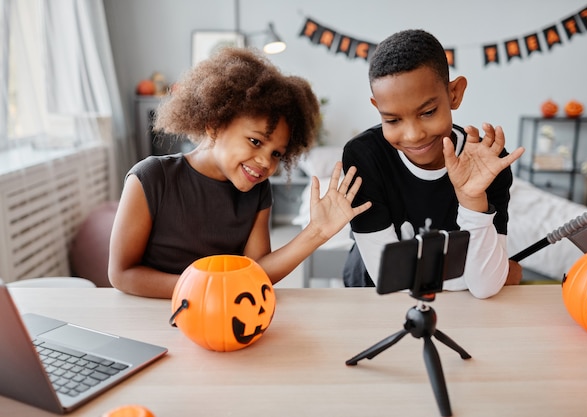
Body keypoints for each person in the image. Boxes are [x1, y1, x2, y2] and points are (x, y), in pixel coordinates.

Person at [108, 47, 371, 299]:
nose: (265, 162)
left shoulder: (257, 191)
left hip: (220, 316)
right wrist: (202, 288)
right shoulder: (151, 178)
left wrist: (317, 233)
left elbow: (258, 272)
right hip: (152, 315)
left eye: (276, 153)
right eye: (255, 142)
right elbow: (122, 273)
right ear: (214, 125)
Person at [342, 29, 524, 299]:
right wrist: (480, 274)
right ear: (377, 107)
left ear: (454, 93)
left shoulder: (488, 160)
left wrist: (472, 199)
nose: (413, 134)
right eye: (392, 120)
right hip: (371, 297)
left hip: (460, 312)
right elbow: (387, 276)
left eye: (427, 113)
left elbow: (485, 287)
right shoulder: (364, 157)